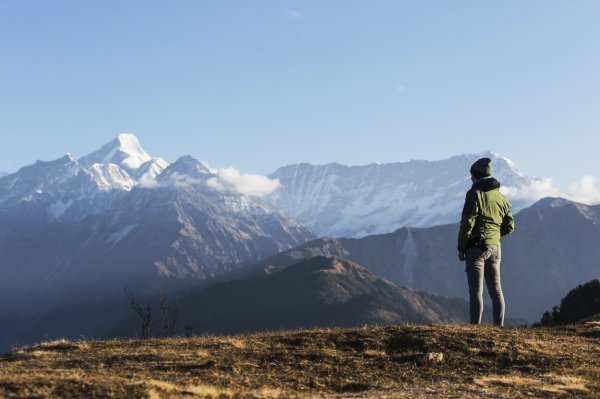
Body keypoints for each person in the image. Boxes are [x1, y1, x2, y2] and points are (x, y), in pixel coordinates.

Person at [457, 157, 514, 326]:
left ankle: (475, 328)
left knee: (476, 291)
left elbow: (467, 223)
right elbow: (509, 226)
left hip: (476, 248)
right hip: (496, 248)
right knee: (496, 290)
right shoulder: (501, 198)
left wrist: (461, 248)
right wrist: (494, 236)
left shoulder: (474, 194)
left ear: (474, 175)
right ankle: (499, 327)